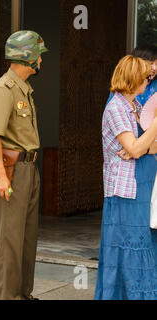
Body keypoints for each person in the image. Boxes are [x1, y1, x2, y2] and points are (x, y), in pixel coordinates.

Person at [0, 30, 49, 300]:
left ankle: (22, 293)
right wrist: (0, 175)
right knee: (8, 241)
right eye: (39, 55)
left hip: (27, 169)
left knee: (26, 238)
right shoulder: (3, 89)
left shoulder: (24, 89)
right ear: (28, 57)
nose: (42, 61)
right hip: (10, 171)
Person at [95, 55, 157, 300]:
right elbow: (135, 148)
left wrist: (141, 146)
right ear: (133, 79)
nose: (148, 80)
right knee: (128, 248)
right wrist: (150, 133)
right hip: (125, 190)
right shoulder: (116, 108)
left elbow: (146, 147)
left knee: (138, 245)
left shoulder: (135, 106)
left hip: (139, 188)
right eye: (145, 76)